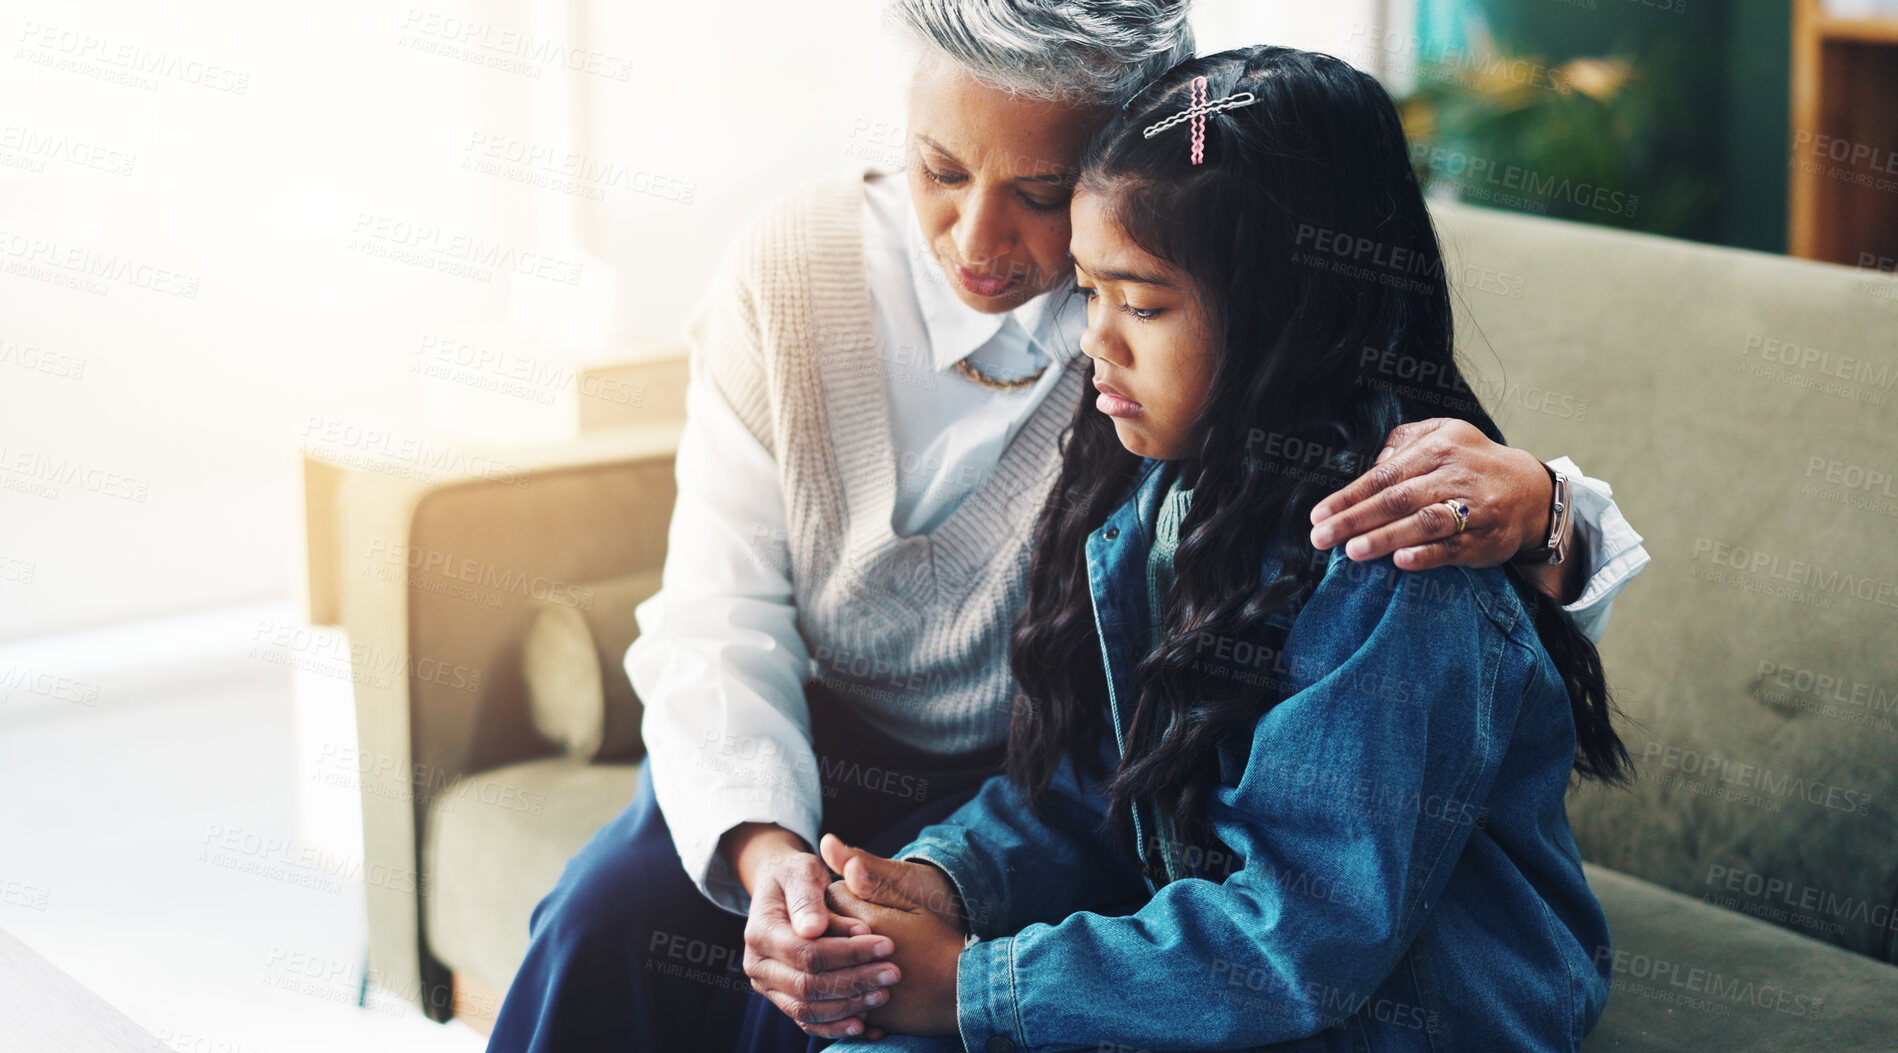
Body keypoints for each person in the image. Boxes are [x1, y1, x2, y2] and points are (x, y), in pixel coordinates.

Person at [484, 3, 1649, 1049]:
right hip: (832, 738)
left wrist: (1548, 507)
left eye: (1039, 195)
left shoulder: (1205, 355)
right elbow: (721, 615)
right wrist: (818, 861)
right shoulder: (1122, 385)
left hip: (1021, 766)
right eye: (938, 169)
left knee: (832, 1008)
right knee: (604, 926)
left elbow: (1310, 869)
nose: (978, 245)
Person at [813, 45, 1631, 1052]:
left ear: (1289, 311)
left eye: (1143, 305)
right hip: (1232, 986)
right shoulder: (1151, 487)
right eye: (1088, 293)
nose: (1093, 343)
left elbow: (1307, 934)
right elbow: (1088, 795)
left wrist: (979, 987)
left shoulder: (1391, 555)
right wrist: (946, 879)